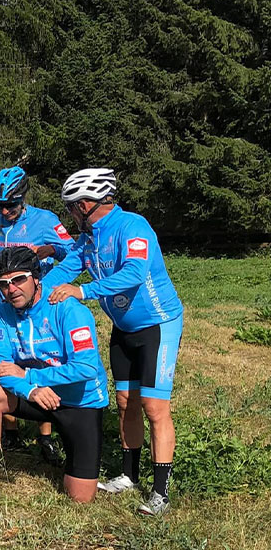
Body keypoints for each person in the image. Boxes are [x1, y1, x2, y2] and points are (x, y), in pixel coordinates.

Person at [42, 168, 184, 516]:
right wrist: (27, 294)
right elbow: (62, 273)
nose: (71, 214)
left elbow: (134, 273)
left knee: (154, 407)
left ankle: (161, 493)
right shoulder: (88, 238)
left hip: (158, 324)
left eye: (72, 207)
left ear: (88, 204)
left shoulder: (132, 226)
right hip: (124, 329)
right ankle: (129, 475)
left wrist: (83, 291)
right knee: (125, 403)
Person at [0, 247, 109, 515]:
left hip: (79, 401)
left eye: (18, 279)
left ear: (37, 278)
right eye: (3, 284)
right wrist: (30, 388)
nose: (11, 289)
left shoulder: (68, 309)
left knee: (80, 497)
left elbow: (86, 368)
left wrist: (29, 376)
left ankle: (70, 453)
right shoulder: (3, 311)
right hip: (35, 395)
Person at [0, 165, 76, 460]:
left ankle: (46, 435)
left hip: (39, 305)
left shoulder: (45, 220)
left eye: (11, 205)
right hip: (1, 306)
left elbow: (73, 250)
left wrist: (50, 250)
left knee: (41, 360)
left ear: (23, 197)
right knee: (8, 363)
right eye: (0, 206)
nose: (6, 211)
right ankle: (11, 432)